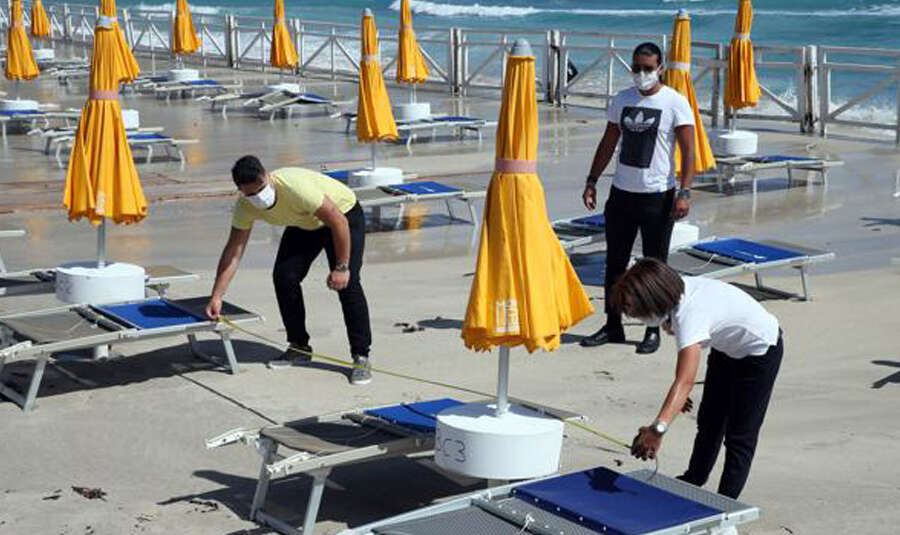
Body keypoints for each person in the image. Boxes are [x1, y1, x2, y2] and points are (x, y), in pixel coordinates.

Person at [613, 258, 783, 499]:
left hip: (761, 352)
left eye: (634, 309)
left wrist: (657, 430)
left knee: (739, 435)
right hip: (726, 349)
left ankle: (726, 503)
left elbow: (684, 381)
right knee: (709, 421)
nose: (632, 315)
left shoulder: (689, 315)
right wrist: (676, 401)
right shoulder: (675, 291)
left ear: (652, 299)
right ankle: (694, 479)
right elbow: (685, 376)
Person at [205, 156, 373, 385]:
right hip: (305, 223)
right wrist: (217, 296)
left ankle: (361, 356)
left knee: (348, 284)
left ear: (266, 176)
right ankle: (299, 346)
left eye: (260, 189)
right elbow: (234, 250)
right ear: (241, 191)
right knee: (284, 277)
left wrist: (342, 267)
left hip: (343, 214)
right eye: (250, 194)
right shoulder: (245, 206)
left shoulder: (295, 187)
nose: (258, 198)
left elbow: (339, 222)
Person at [581, 42, 696, 354]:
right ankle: (612, 324)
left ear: (660, 69)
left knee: (654, 266)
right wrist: (592, 180)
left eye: (648, 68)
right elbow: (608, 141)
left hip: (658, 197)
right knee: (615, 262)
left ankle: (653, 327)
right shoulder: (622, 99)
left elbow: (689, 151)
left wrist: (684, 193)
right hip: (622, 195)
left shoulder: (675, 102)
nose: (641, 73)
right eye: (637, 68)